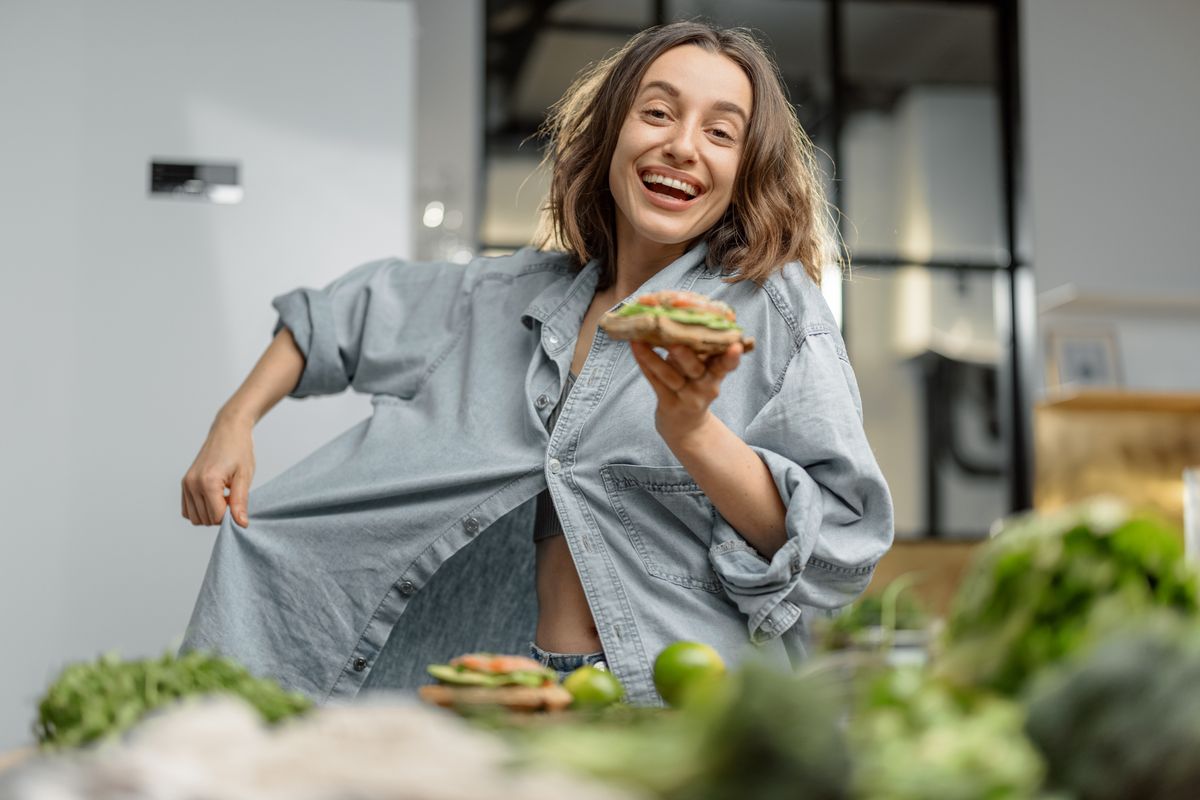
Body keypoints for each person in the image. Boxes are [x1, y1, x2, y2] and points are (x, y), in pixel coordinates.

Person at [179, 21, 893, 704]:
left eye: (720, 132)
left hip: (684, 707)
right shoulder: (506, 297)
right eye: (657, 113)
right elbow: (342, 314)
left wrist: (692, 430)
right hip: (521, 694)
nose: (681, 146)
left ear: (745, 171)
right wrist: (233, 421)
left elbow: (838, 548)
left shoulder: (775, 313)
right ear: (614, 133)